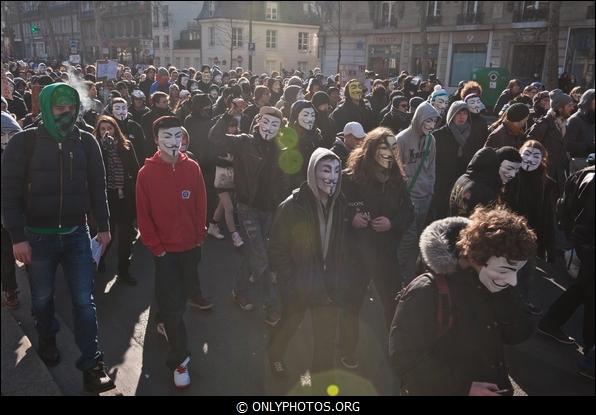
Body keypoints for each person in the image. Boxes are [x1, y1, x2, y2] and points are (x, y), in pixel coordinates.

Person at [1, 83, 114, 393]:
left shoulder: (87, 142)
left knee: (83, 301)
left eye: (71, 107)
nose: (66, 113)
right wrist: (17, 237)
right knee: (41, 299)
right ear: (46, 107)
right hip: (38, 237)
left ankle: (92, 364)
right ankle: (47, 335)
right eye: (59, 107)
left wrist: (103, 226)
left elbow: (97, 186)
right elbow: (8, 193)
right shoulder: (24, 143)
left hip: (78, 234)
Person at [389, 206, 536, 396]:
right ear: (476, 257)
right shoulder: (426, 291)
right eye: (504, 270)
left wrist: (505, 294)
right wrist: (463, 388)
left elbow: (519, 333)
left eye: (515, 271)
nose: (512, 280)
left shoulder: (494, 282)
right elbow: (403, 359)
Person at [135, 116, 208, 388]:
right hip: (164, 252)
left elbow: (202, 203)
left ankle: (164, 319)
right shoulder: (146, 174)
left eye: (178, 136)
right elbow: (144, 217)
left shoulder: (193, 168)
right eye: (167, 136)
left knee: (179, 299)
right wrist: (158, 249)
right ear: (156, 139)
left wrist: (199, 236)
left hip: (191, 248)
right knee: (174, 307)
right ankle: (180, 362)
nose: (173, 141)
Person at [338, 127, 414, 369]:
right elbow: (334, 205)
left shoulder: (396, 178)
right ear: (370, 150)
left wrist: (392, 223)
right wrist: (351, 217)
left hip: (384, 252)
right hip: (355, 253)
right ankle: (347, 350)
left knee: (393, 304)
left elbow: (408, 211)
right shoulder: (350, 177)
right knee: (351, 304)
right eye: (383, 150)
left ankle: (396, 350)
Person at [267, 148, 344, 384]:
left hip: (327, 285)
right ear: (312, 171)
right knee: (290, 325)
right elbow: (277, 249)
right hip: (299, 284)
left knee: (325, 338)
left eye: (336, 171)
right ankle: (275, 356)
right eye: (326, 169)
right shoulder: (291, 206)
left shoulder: (339, 203)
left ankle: (317, 379)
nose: (332, 176)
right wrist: (289, 282)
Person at [209, 106, 289, 324]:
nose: (269, 128)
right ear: (258, 121)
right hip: (247, 207)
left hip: (270, 209)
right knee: (261, 254)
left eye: (275, 124)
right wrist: (228, 114)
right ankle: (271, 304)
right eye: (266, 122)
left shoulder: (281, 147)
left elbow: (284, 178)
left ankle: (239, 291)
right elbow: (215, 138)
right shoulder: (244, 142)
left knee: (253, 252)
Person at [538, 165, 594, 351]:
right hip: (589, 243)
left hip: (583, 242)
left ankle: (550, 323)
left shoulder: (586, 172)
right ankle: (590, 350)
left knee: (582, 288)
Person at [502, 140, 557, 315]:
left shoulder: (548, 184)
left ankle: (522, 303)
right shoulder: (511, 176)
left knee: (526, 273)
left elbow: (549, 216)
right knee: (505, 270)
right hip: (507, 233)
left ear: (542, 159)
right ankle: (502, 304)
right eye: (527, 153)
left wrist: (549, 245)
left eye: (536, 156)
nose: (530, 159)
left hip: (530, 236)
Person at [396, 102, 440, 284]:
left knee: (418, 233)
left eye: (434, 121)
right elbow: (396, 169)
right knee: (409, 235)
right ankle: (398, 272)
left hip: (425, 194)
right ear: (418, 118)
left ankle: (410, 271)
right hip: (409, 195)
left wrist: (430, 187)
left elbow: (431, 166)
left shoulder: (431, 140)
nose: (430, 125)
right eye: (427, 120)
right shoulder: (402, 139)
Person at [93, 115, 140, 284]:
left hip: (124, 196)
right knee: (107, 234)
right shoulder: (96, 148)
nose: (107, 132)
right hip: (107, 197)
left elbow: (135, 169)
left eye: (110, 128)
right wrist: (105, 149)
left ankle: (124, 270)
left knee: (126, 237)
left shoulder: (126, 146)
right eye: (103, 129)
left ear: (115, 129)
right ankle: (99, 260)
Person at [432, 101, 485, 220]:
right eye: (458, 113)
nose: (462, 117)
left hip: (462, 182)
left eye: (465, 113)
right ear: (451, 115)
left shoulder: (473, 134)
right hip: (442, 182)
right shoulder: (439, 135)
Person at [528, 89, 575, 196]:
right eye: (569, 106)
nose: (572, 108)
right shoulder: (544, 124)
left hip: (559, 178)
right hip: (544, 177)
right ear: (559, 108)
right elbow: (529, 145)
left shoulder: (563, 125)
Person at [449, 147, 520, 217]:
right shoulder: (485, 192)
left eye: (517, 170)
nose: (513, 175)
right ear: (496, 165)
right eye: (509, 168)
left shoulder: (462, 179)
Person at [1, 106, 23, 309]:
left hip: (19, 215)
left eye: (11, 133)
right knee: (6, 257)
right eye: (2, 134)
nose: (6, 138)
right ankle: (10, 289)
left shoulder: (23, 155)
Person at [284, 100, 325, 189]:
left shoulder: (317, 135)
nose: (310, 119)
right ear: (296, 116)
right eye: (305, 115)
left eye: (313, 115)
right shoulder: (288, 138)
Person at [141, 92, 174, 158]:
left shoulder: (172, 116)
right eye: (164, 102)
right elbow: (148, 137)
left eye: (167, 101)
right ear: (156, 103)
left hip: (171, 148)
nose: (167, 103)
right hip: (154, 151)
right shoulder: (147, 117)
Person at [565, 89, 595, 163]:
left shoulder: (593, 118)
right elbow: (568, 145)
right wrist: (589, 145)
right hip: (579, 163)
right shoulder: (574, 120)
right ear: (588, 102)